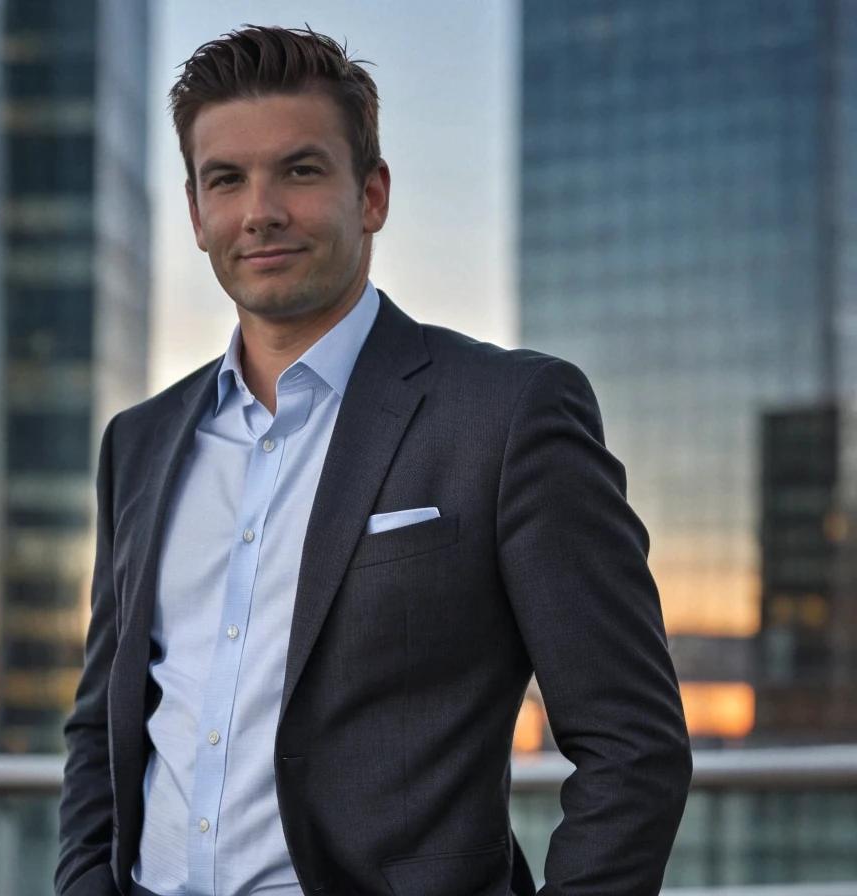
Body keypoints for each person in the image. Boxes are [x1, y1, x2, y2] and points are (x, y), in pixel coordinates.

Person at [55, 25, 692, 896]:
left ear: (373, 195)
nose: (262, 211)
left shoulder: (505, 416)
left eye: (301, 170)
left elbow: (633, 743)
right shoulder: (141, 442)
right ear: (198, 213)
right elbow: (103, 727)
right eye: (226, 179)